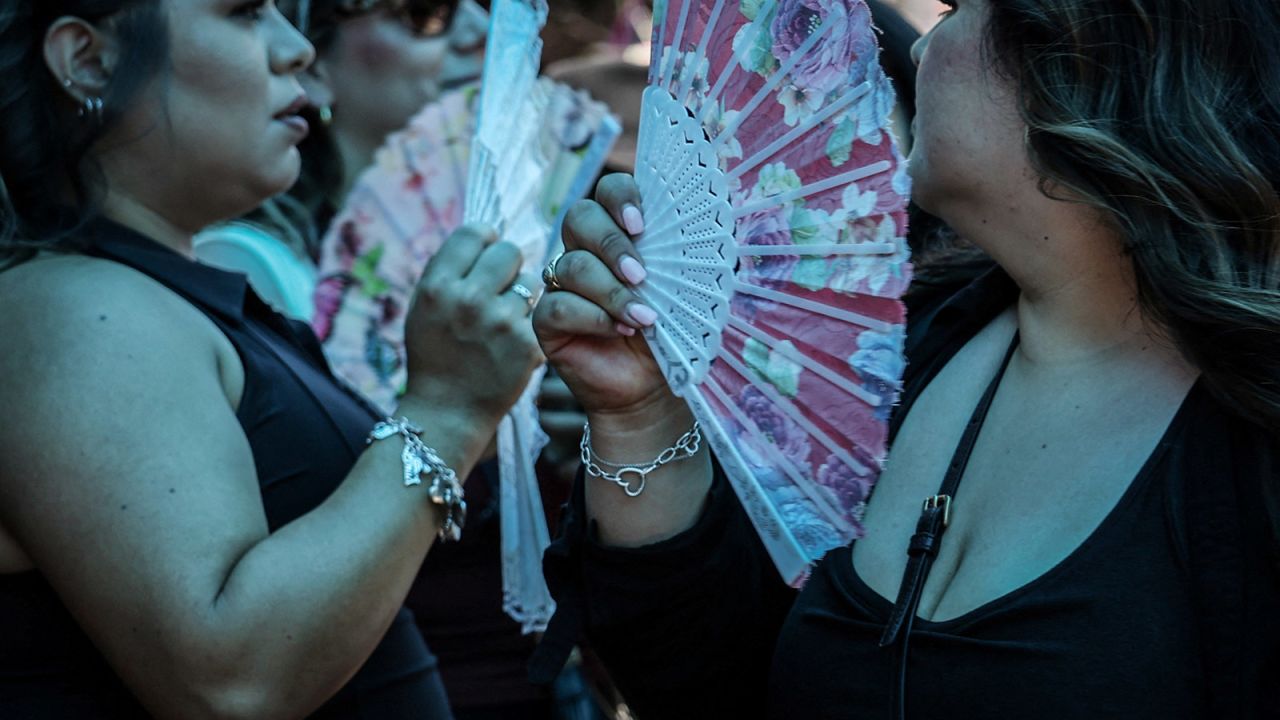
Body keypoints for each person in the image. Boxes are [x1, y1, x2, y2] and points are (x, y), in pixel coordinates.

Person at [528, 0, 1280, 718]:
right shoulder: (888, 353)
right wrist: (641, 417)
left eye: (956, 13)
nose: (919, 45)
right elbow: (701, 687)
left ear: (1079, 57)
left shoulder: (1249, 433)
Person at [0, 1, 541, 717]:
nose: (298, 52)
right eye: (248, 11)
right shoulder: (71, 310)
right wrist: (447, 408)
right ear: (88, 59)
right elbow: (227, 683)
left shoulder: (154, 294)